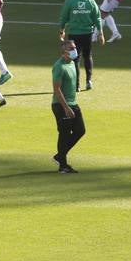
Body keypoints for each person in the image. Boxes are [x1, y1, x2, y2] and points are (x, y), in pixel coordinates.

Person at [60, 0, 104, 90]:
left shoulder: (69, 1)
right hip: (87, 34)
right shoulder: (90, 1)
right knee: (87, 56)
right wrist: (100, 33)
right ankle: (89, 81)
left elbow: (63, 17)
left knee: (75, 59)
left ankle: (77, 85)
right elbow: (97, 18)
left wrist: (62, 30)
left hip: (74, 35)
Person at [51, 38, 85, 174]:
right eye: (71, 48)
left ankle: (60, 156)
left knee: (80, 130)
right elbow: (57, 89)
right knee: (64, 134)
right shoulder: (59, 66)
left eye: (74, 47)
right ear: (64, 51)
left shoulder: (72, 63)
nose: (74, 50)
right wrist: (66, 108)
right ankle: (62, 165)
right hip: (61, 105)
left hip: (73, 103)